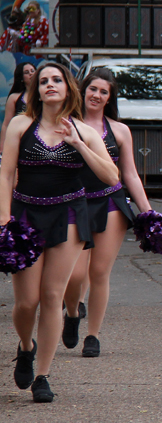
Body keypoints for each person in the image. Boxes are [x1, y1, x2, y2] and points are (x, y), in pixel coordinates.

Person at [2, 62, 119, 402]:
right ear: (36, 91)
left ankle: (42, 375)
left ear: (68, 88)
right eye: (43, 81)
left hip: (68, 214)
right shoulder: (21, 125)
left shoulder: (85, 131)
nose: (49, 85)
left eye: (56, 80)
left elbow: (111, 177)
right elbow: (6, 174)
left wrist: (79, 144)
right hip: (25, 215)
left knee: (53, 296)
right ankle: (26, 346)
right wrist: (3, 220)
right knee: (27, 302)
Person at [61, 68, 153, 358]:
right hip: (74, 205)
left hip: (110, 203)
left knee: (99, 272)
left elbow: (130, 175)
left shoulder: (120, 130)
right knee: (74, 275)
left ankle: (93, 335)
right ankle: (73, 312)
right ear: (82, 90)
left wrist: (148, 213)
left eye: (104, 92)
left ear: (109, 97)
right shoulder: (66, 124)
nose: (97, 95)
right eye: (93, 89)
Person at [1, 61, 36, 149]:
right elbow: (6, 124)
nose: (31, 74)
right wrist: (2, 147)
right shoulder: (14, 98)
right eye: (26, 72)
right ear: (21, 78)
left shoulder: (45, 96)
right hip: (20, 140)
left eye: (33, 71)